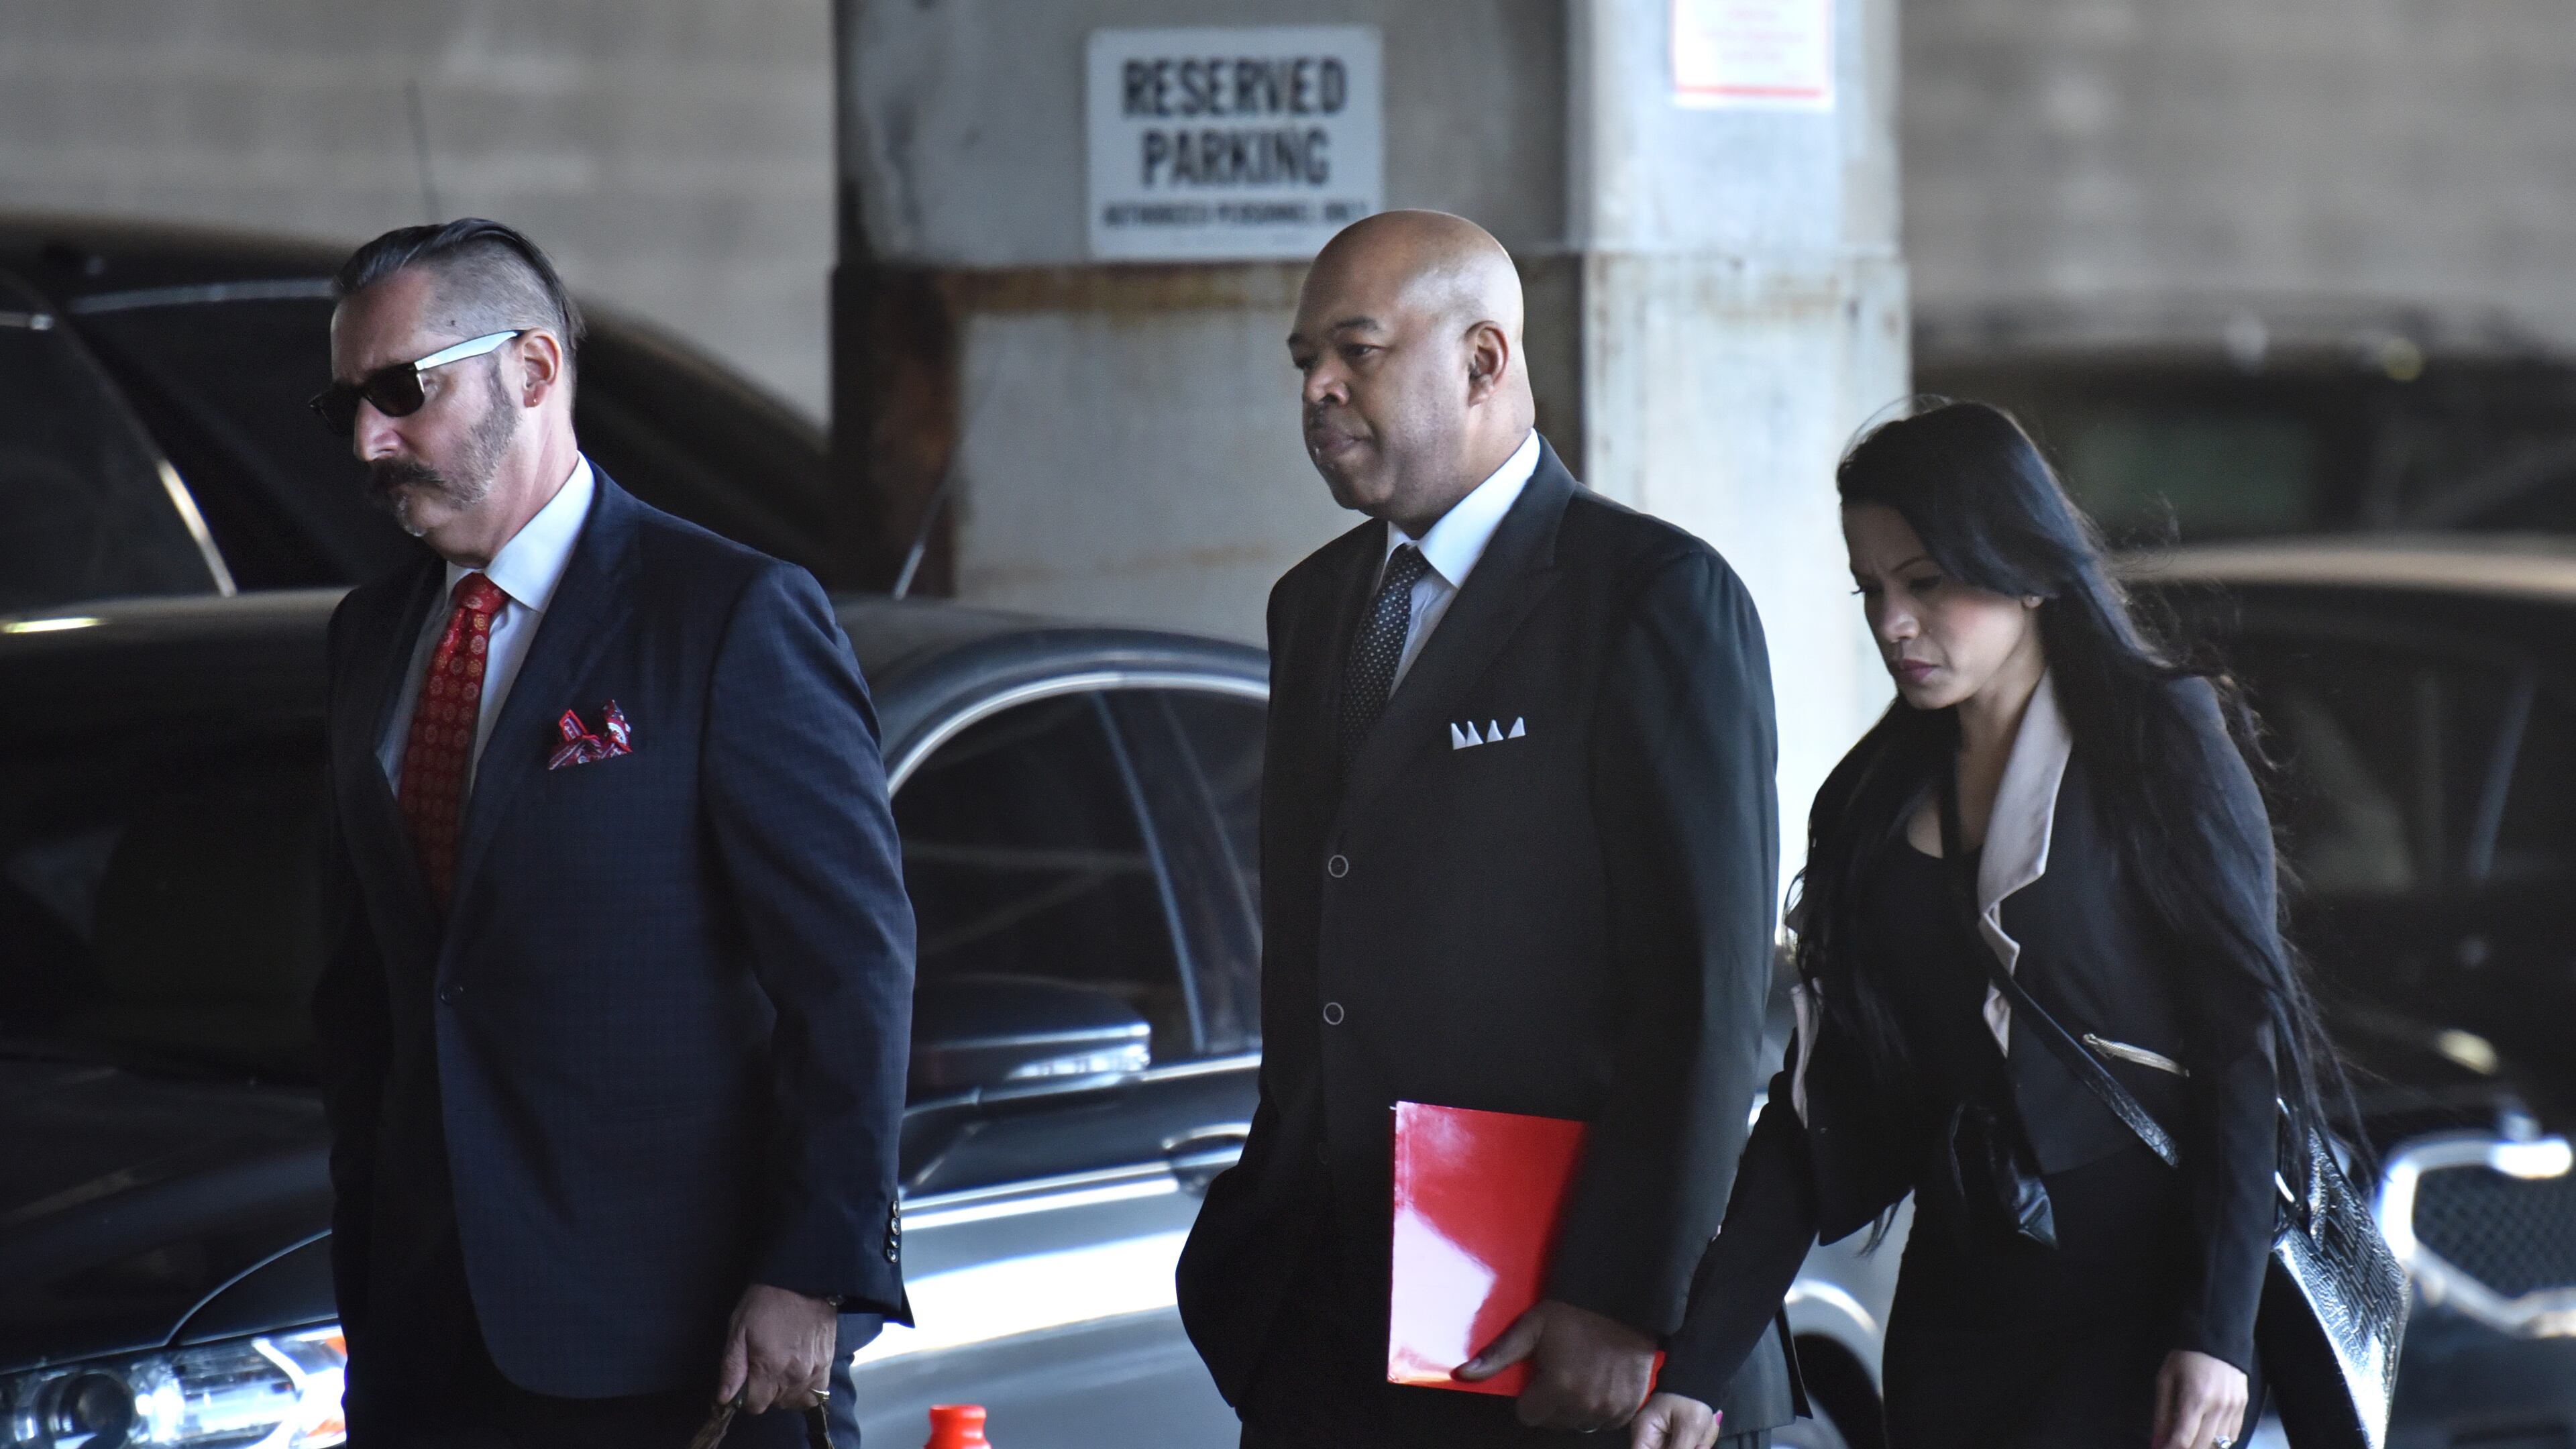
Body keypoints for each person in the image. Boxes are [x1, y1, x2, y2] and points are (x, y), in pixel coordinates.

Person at [1175, 209, 1792, 1449]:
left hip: (1556, 1331)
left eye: (1354, 349)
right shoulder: (1314, 607)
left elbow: (1708, 987)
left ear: (1484, 362)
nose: (1319, 387)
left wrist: (1625, 1297)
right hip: (1322, 1320)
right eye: (1304, 360)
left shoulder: (1652, 600)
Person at [309, 219, 914, 1448]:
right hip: (426, 1347)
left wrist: (813, 1270)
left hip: (680, 1346)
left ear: (530, 371)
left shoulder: (729, 618)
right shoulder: (369, 639)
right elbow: (369, 994)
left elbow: (851, 973)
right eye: (350, 407)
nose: (371, 440)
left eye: (399, 391)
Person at [1660, 401, 2349, 1448]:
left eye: (1926, 582)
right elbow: (1819, 1101)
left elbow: (2242, 1047)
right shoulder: (1867, 801)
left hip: (2142, 1316)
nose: (1894, 621)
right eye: (1873, 590)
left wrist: (2218, 1331)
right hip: (1959, 1315)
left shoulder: (2156, 739)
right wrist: (1696, 1371)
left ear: (2024, 567)